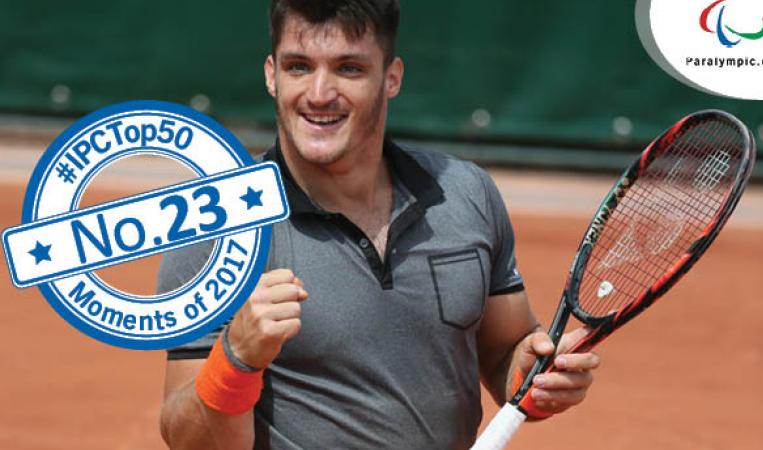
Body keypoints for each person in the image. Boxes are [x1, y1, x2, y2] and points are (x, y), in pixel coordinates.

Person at [158, 1, 600, 449]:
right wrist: (236, 362)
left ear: (392, 77)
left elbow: (507, 351)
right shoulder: (216, 224)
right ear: (271, 74)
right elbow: (185, 438)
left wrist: (531, 373)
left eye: (348, 69)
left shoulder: (467, 195)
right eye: (298, 67)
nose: (319, 93)